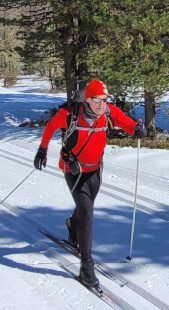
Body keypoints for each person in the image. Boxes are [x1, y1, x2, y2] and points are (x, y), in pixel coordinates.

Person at [33, 79, 147, 287]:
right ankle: (86, 266)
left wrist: (137, 130)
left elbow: (128, 124)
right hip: (73, 169)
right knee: (87, 212)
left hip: (95, 169)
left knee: (85, 209)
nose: (101, 104)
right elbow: (50, 128)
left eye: (104, 100)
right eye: (97, 100)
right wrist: (42, 150)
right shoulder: (69, 115)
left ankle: (71, 225)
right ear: (87, 99)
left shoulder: (109, 113)